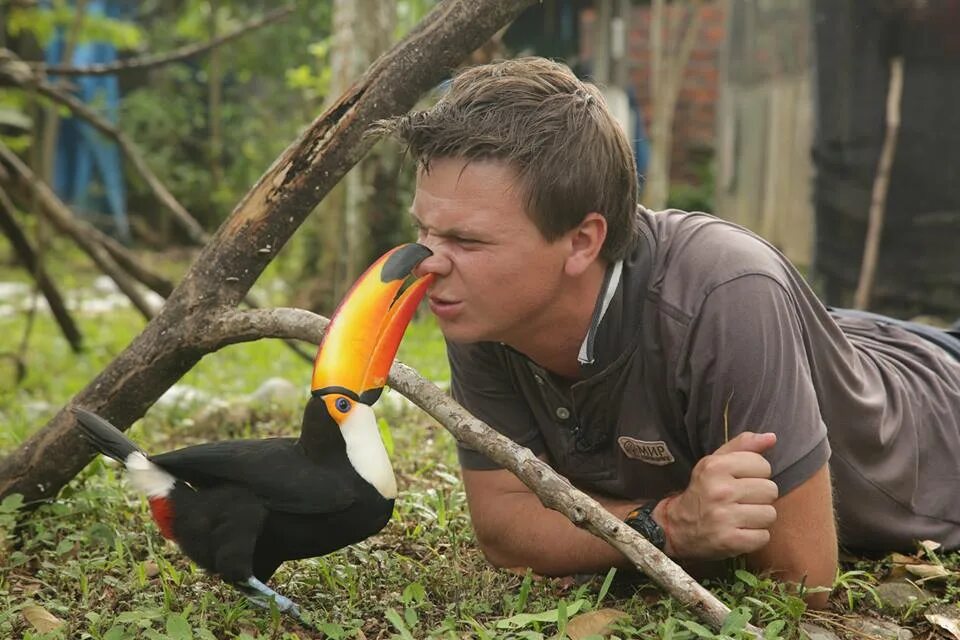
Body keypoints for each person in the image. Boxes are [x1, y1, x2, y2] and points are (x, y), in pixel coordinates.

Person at [374, 57, 960, 607]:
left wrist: (618, 529)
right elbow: (505, 527)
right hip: (839, 339)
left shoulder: (727, 291)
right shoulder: (476, 302)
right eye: (425, 231)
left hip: (935, 401)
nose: (425, 262)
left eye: (467, 240)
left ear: (582, 241)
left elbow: (800, 581)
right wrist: (671, 525)